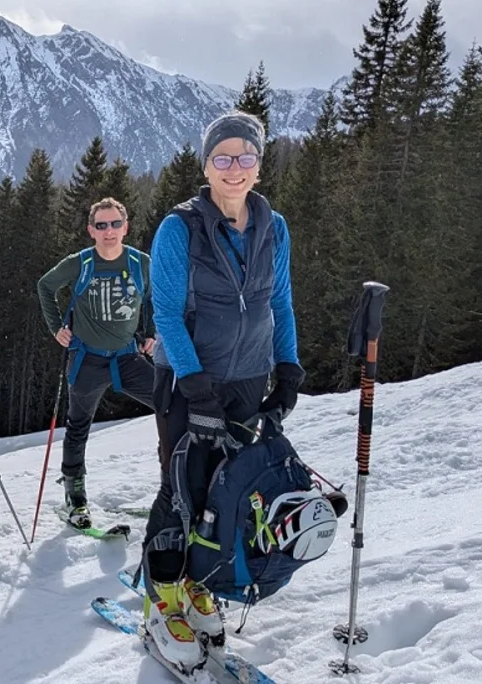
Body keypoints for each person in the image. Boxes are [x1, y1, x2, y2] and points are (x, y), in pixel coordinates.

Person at [141, 111, 305, 667]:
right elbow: (165, 310)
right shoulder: (178, 229)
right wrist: (193, 383)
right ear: (206, 164)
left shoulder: (272, 226)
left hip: (246, 380)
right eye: (222, 157)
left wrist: (288, 369)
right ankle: (161, 596)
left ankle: (196, 580)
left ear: (259, 165)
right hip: (188, 380)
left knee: (225, 491)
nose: (234, 168)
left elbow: (278, 303)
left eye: (246, 157)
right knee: (182, 488)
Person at [36, 197, 156, 529]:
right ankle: (75, 497)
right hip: (87, 359)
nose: (109, 231)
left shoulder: (140, 262)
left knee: (171, 405)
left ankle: (176, 490)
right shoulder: (80, 263)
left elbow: (153, 295)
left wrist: (150, 332)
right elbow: (45, 286)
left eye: (115, 224)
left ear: (126, 227)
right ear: (91, 230)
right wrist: (56, 327)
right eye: (101, 225)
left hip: (128, 357)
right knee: (78, 427)